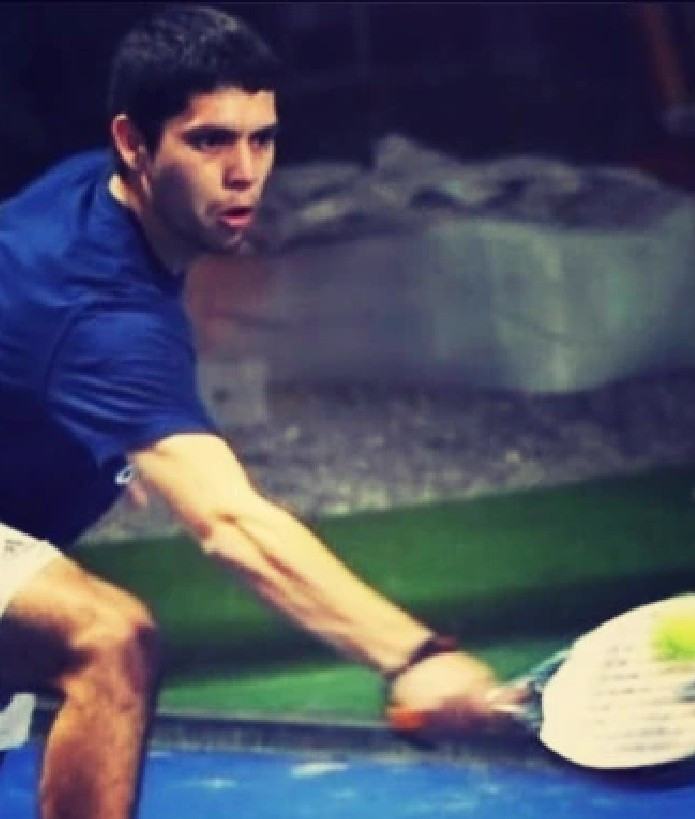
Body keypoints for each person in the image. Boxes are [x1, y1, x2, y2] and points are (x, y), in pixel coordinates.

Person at [0, 5, 502, 818]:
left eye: (260, 139)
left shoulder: (86, 189)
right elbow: (231, 522)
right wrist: (411, 655)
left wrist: (87, 429)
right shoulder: (103, 320)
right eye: (209, 141)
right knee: (106, 639)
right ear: (133, 142)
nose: (243, 172)